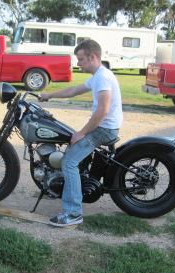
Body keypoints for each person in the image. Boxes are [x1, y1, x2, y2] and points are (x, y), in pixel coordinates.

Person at [39, 39, 123, 227]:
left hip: (105, 128)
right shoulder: (97, 76)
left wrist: (82, 132)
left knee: (69, 161)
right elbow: (75, 90)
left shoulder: (102, 77)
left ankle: (73, 212)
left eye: (80, 59)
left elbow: (103, 110)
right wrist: (50, 95)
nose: (78, 64)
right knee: (71, 150)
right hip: (104, 126)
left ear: (92, 57)